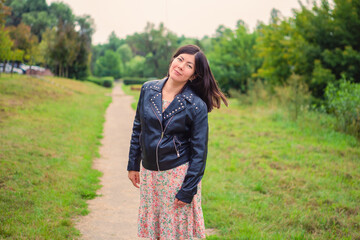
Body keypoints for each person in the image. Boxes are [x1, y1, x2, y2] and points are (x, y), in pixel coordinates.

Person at [127, 44, 228, 240]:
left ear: (193, 75)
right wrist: (133, 165)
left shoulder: (195, 105)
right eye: (180, 59)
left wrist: (188, 190)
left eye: (189, 65)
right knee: (155, 231)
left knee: (175, 232)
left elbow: (199, 152)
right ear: (173, 60)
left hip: (176, 176)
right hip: (150, 175)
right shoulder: (148, 89)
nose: (181, 66)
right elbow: (138, 128)